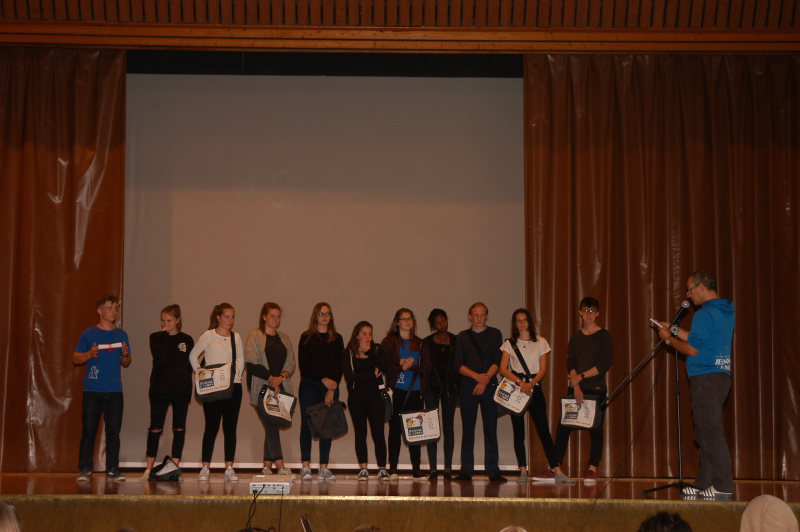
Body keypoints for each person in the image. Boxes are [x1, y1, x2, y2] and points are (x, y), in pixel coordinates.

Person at [657, 270, 735, 500]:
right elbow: (699, 338)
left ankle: (723, 485)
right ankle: (704, 483)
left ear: (702, 286)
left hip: (705, 378)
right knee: (705, 434)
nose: (688, 295)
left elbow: (692, 349)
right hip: (719, 377)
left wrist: (668, 340)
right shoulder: (724, 310)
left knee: (710, 432)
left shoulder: (704, 313)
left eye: (690, 289)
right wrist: (673, 329)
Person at [498, 308, 568, 483]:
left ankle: (557, 471)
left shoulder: (541, 342)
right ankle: (523, 471)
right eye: (518, 320)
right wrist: (520, 383)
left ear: (529, 321)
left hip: (534, 389)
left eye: (525, 320)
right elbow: (503, 369)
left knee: (544, 431)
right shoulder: (509, 343)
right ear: (515, 324)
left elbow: (543, 370)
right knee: (519, 432)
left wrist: (530, 384)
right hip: (516, 390)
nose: (522, 323)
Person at [553, 297, 614, 485]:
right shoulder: (575, 337)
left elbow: (604, 364)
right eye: (586, 310)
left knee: (595, 429)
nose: (589, 314)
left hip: (596, 389)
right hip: (576, 388)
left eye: (592, 311)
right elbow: (570, 362)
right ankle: (555, 467)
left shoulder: (604, 336)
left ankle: (592, 469)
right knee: (563, 427)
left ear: (597, 313)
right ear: (580, 312)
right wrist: (576, 385)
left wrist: (581, 377)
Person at [73, 294, 131, 482]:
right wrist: (89, 354)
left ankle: (113, 469)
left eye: (115, 308)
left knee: (113, 432)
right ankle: (85, 468)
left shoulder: (122, 335)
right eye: (109, 308)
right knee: (89, 430)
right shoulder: (88, 334)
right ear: (99, 311)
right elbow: (75, 358)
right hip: (93, 390)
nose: (113, 312)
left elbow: (126, 362)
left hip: (114, 391)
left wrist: (125, 355)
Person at [189, 303, 245, 481]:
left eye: (232, 317)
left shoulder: (236, 337)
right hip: (213, 389)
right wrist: (201, 373)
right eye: (227, 316)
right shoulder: (208, 335)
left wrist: (236, 375)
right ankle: (205, 467)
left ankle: (229, 468)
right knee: (211, 427)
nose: (230, 320)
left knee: (230, 428)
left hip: (233, 387)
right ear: (219, 317)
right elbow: (193, 355)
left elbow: (241, 358)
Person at [453, 302, 506, 483]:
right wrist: (476, 377)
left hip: (489, 386)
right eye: (476, 314)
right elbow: (458, 364)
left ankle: (493, 470)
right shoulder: (462, 336)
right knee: (468, 429)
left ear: (486, 316)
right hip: (468, 386)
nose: (479, 318)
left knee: (491, 429)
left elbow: (498, 361)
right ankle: (466, 471)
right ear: (470, 316)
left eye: (482, 315)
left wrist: (485, 379)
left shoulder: (495, 334)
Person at [141, 304, 194, 481]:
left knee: (179, 428)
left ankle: (174, 468)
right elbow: (161, 358)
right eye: (163, 321)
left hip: (180, 390)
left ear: (178, 320)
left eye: (169, 321)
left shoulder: (187, 340)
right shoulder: (156, 337)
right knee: (155, 428)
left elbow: (188, 365)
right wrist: (165, 335)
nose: (166, 324)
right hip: (160, 389)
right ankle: (148, 469)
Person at [381, 308, 433, 482]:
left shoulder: (420, 343)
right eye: (403, 319)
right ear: (397, 322)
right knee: (395, 429)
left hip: (416, 391)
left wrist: (412, 366)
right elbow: (384, 366)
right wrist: (401, 366)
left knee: (416, 431)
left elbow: (427, 368)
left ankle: (416, 469)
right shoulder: (389, 342)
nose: (407, 321)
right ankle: (393, 468)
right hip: (396, 391)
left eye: (410, 318)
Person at [245, 302, 296, 477]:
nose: (275, 319)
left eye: (278, 316)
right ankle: (281, 466)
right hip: (261, 390)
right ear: (264, 317)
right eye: (272, 316)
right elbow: (251, 363)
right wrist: (271, 380)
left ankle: (267, 466)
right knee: (271, 424)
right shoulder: (254, 336)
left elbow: (291, 363)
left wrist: (281, 378)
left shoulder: (284, 338)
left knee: (271, 425)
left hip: (281, 389)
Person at [298, 302, 344, 481]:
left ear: (331, 317)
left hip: (330, 387)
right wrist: (323, 379)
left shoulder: (337, 338)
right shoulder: (306, 337)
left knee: (327, 425)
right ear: (315, 316)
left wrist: (331, 388)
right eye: (321, 314)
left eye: (327, 314)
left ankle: (323, 467)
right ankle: (305, 467)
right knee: (306, 424)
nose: (324, 317)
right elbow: (304, 364)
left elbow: (339, 366)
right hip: (309, 385)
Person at [342, 321, 390, 481]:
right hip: (357, 397)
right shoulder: (348, 353)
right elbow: (350, 377)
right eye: (364, 334)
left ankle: (382, 468)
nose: (368, 337)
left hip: (376, 396)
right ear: (357, 335)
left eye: (370, 334)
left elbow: (385, 366)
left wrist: (369, 352)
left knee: (378, 433)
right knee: (360, 433)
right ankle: (363, 468)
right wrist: (371, 376)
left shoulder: (376, 349)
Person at [422, 308, 459, 481]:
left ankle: (448, 468)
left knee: (448, 428)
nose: (442, 325)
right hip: (432, 389)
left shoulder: (455, 340)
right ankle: (433, 469)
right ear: (433, 325)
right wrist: (428, 385)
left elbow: (460, 363)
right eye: (438, 323)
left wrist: (457, 383)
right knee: (431, 428)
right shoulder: (427, 342)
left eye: (444, 320)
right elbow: (424, 367)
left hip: (450, 389)